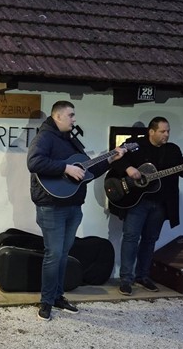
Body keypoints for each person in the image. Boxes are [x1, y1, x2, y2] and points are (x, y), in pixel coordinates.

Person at [27, 101, 127, 321]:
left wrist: (110, 159)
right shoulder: (44, 137)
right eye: (71, 115)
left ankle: (57, 297)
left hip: (73, 206)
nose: (74, 119)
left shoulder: (71, 140)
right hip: (51, 206)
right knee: (53, 254)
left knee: (63, 254)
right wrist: (65, 168)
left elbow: (87, 171)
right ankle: (46, 301)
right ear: (57, 116)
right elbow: (34, 162)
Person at [109, 117, 183, 296]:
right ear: (151, 131)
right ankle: (126, 279)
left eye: (168, 131)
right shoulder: (136, 145)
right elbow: (115, 159)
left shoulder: (172, 150)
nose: (166, 134)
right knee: (131, 238)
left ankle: (142, 276)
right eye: (162, 131)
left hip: (161, 203)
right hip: (137, 201)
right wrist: (129, 169)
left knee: (150, 240)